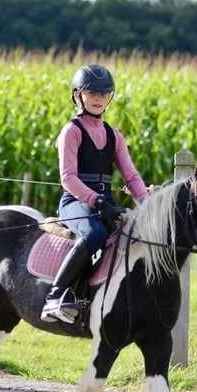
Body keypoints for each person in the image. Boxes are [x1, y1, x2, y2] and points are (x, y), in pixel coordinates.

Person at [41, 64, 151, 324]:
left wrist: (149, 205)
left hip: (106, 204)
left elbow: (132, 177)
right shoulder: (72, 131)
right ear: (78, 95)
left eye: (104, 94)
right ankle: (55, 296)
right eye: (92, 93)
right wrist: (96, 200)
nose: (99, 99)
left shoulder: (114, 135)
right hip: (76, 202)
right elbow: (68, 178)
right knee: (95, 233)